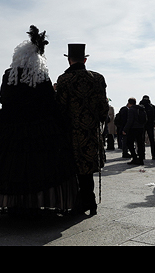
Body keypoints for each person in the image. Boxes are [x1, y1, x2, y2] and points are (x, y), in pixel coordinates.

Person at [0, 26, 79, 215]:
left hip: (9, 125)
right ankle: (36, 202)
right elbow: (49, 102)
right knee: (39, 166)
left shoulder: (9, 75)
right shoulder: (41, 75)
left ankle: (15, 202)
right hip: (39, 126)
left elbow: (4, 98)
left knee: (11, 166)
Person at [56, 42, 109, 215]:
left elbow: (61, 108)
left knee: (75, 168)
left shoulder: (64, 79)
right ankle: (89, 200)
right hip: (91, 131)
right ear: (85, 60)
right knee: (87, 168)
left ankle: (83, 201)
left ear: (69, 60)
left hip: (72, 132)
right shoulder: (98, 78)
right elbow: (103, 107)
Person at [123, 97, 146, 165]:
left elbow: (130, 121)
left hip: (133, 129)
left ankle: (135, 158)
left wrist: (125, 129)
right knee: (140, 144)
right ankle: (141, 159)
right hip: (141, 128)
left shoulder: (131, 110)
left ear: (129, 103)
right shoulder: (141, 109)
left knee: (129, 143)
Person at [140, 95, 155, 160]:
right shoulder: (152, 106)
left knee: (141, 140)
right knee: (152, 140)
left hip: (142, 125)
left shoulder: (140, 106)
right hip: (150, 125)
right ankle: (153, 155)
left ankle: (142, 155)